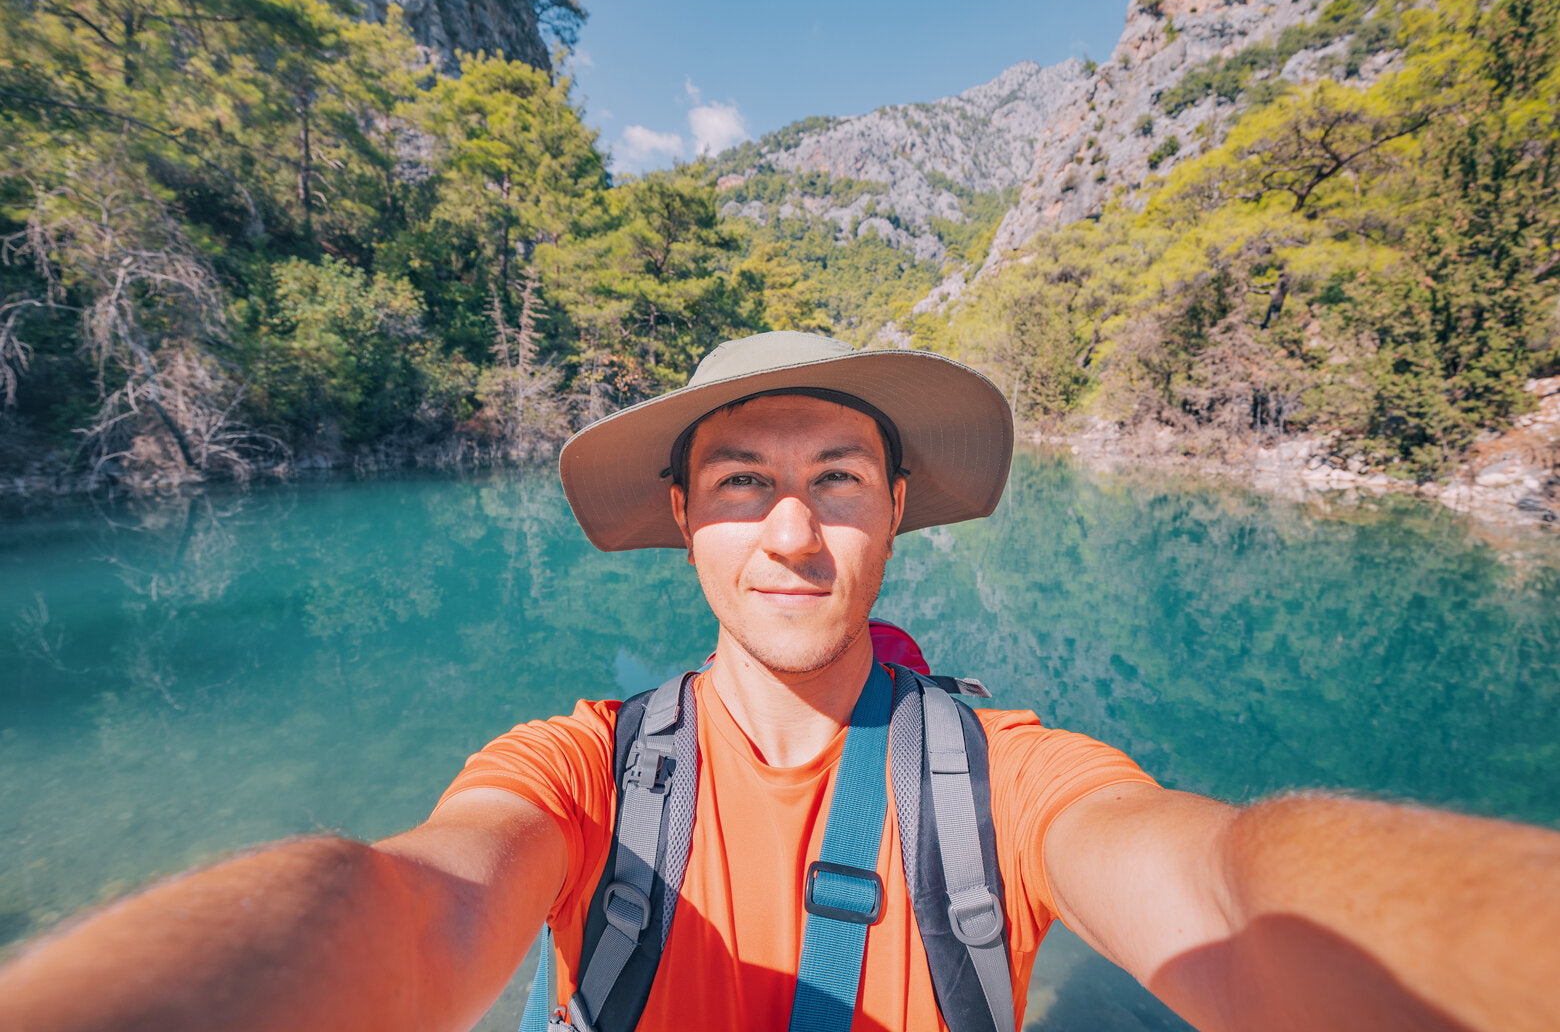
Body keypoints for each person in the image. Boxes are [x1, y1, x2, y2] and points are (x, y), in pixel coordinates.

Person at [1, 331, 1558, 1032]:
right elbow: (404, 911)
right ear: (682, 518)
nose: (795, 534)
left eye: (841, 480)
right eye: (743, 483)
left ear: (897, 512)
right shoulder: (581, 769)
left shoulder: (1004, 777)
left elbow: (1227, 893)